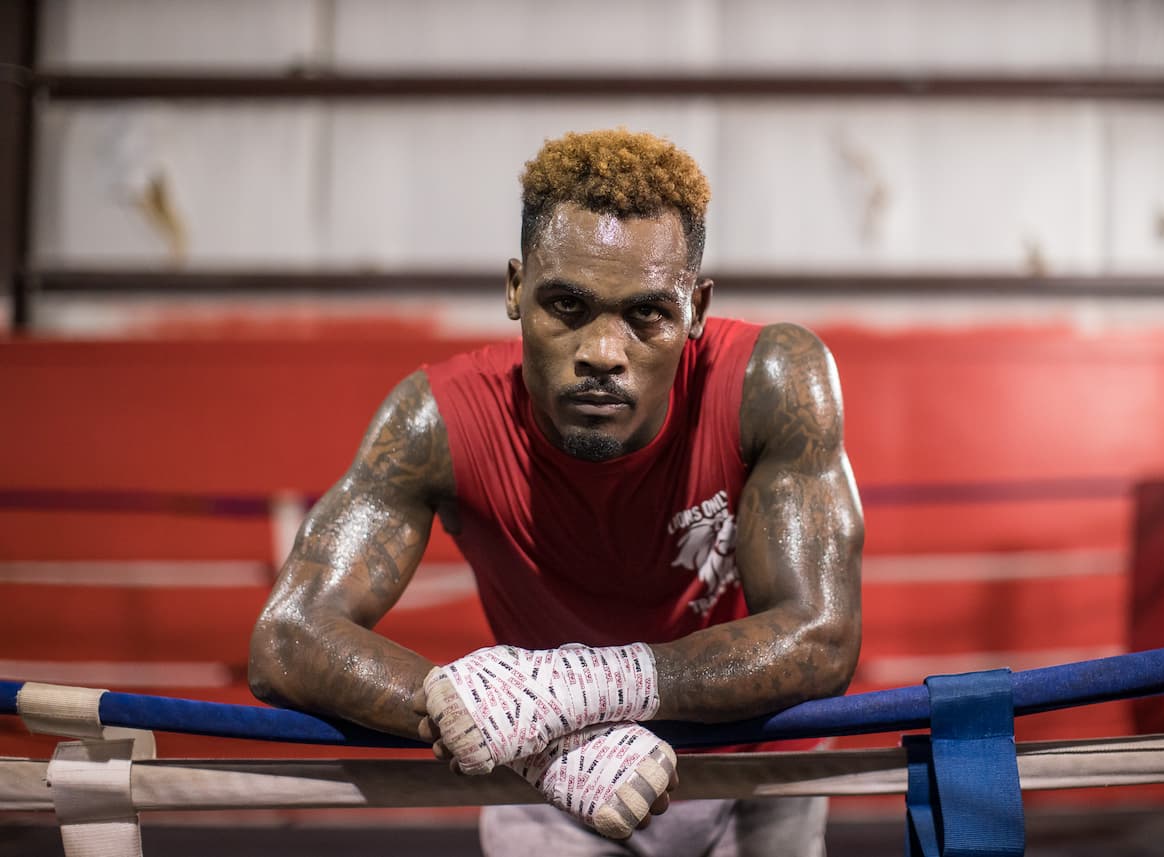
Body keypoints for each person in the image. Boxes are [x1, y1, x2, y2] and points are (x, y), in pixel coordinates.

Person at [249, 128, 863, 856]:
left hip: (754, 753)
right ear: (515, 290)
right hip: (549, 785)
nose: (604, 352)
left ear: (695, 309)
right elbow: (287, 638)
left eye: (646, 314)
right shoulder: (438, 422)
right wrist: (527, 731)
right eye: (567, 305)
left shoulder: (771, 382)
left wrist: (580, 686)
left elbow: (822, 634)